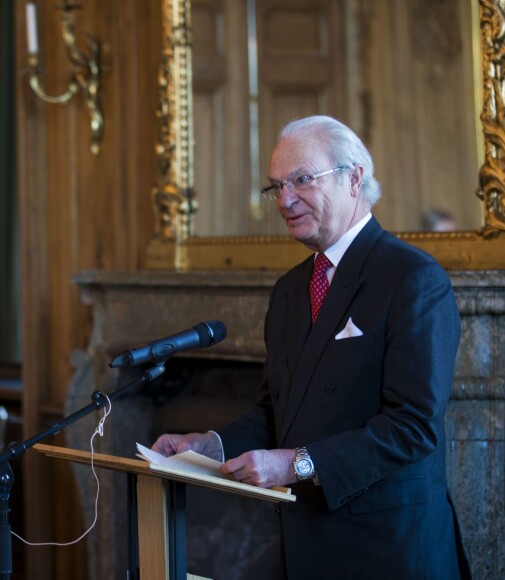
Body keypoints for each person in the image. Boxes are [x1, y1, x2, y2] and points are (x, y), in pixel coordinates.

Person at [152, 115, 471, 579]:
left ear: (354, 177)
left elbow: (414, 426)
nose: (284, 200)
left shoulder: (413, 278)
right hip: (306, 541)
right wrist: (209, 445)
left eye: (301, 180)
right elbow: (277, 412)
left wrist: (297, 463)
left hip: (390, 547)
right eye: (275, 187)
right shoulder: (289, 290)